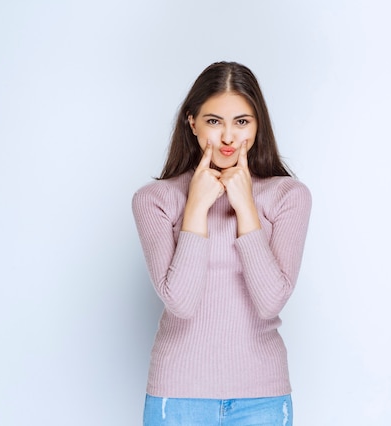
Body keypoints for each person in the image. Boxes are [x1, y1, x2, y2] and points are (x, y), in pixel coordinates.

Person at [132, 61, 311, 425]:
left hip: (262, 396)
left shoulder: (288, 196)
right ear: (192, 122)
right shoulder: (155, 199)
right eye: (214, 121)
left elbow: (271, 300)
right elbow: (180, 301)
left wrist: (245, 206)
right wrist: (196, 207)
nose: (228, 137)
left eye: (242, 121)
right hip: (178, 394)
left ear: (258, 125)